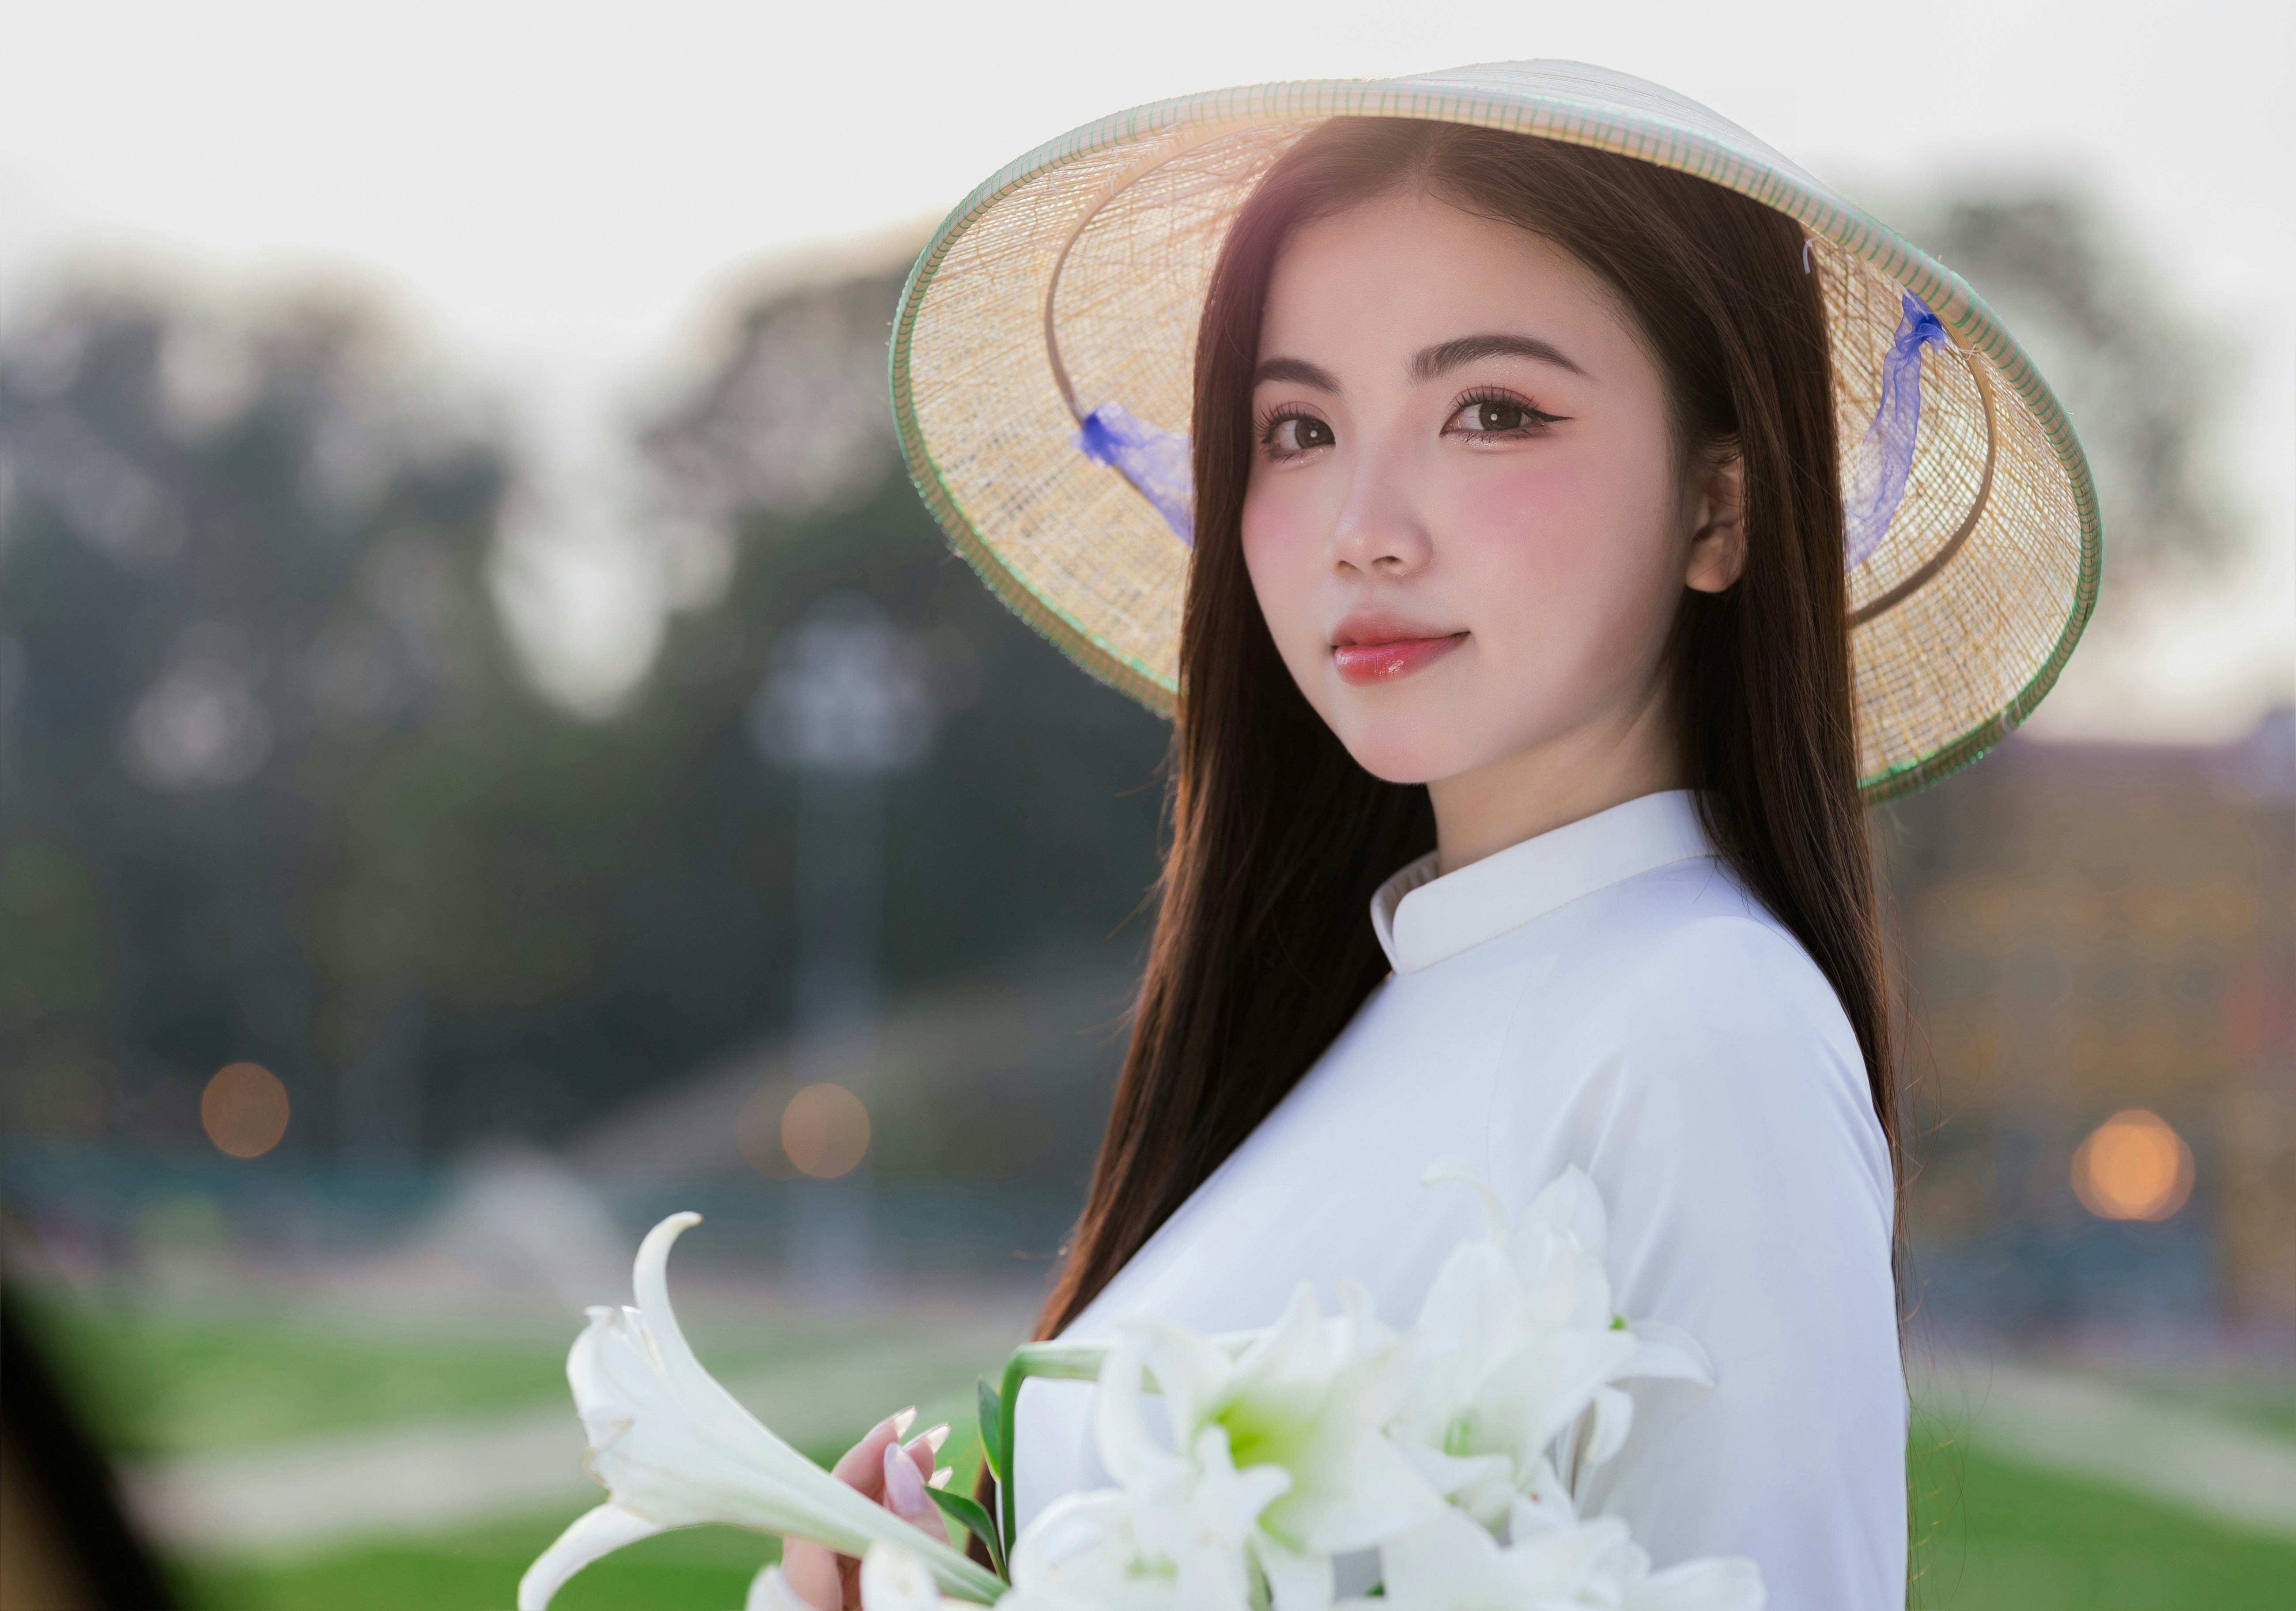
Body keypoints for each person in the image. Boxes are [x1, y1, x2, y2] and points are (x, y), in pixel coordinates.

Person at [786, 61, 2099, 1611]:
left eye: (1491, 412)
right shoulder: (1346, 1017)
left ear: (1720, 508)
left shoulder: (1705, 1030)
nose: (1367, 526)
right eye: (1295, 427)